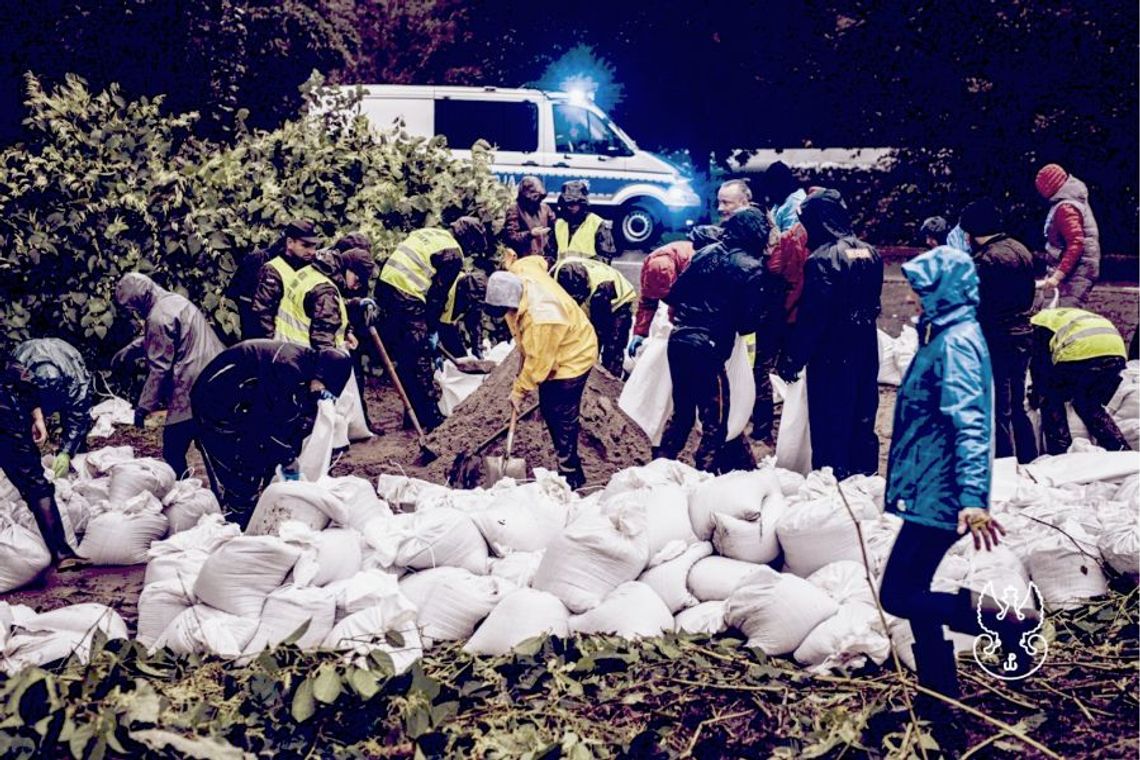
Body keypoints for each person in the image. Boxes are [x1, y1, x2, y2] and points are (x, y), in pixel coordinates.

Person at [879, 245, 1032, 747]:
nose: (915, 297)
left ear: (945, 290)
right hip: (930, 486)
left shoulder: (958, 342)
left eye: (923, 289)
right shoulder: (947, 332)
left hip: (941, 493)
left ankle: (1006, 620)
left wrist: (971, 498)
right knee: (915, 590)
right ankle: (938, 699)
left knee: (899, 593)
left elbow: (971, 423)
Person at [658, 207, 783, 473]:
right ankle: (705, 476)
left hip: (679, 339)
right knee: (715, 420)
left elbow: (673, 294)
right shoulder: (752, 268)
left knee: (682, 413)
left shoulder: (705, 253)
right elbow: (748, 323)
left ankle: (660, 466)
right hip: (709, 347)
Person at [778, 189, 882, 480]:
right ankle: (864, 475)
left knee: (830, 416)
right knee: (863, 411)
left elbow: (814, 318)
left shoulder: (821, 260)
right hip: (865, 344)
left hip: (833, 352)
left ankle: (832, 479)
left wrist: (794, 359)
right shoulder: (869, 252)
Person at [191, 340, 351, 526]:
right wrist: (288, 458)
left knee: (256, 458)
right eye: (323, 386)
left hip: (245, 404)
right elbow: (263, 423)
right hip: (216, 403)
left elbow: (288, 419)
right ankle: (236, 520)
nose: (322, 391)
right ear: (321, 373)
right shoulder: (286, 368)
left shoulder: (305, 370)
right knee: (234, 467)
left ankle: (248, 509)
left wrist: (288, 453)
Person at [484, 257, 598, 489]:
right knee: (548, 406)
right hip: (556, 341)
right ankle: (566, 464)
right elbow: (538, 261)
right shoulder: (520, 271)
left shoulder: (541, 317)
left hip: (574, 353)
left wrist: (519, 391)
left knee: (560, 414)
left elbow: (539, 365)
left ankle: (571, 475)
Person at [375, 218, 488, 430]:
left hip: (385, 287)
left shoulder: (431, 234)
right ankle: (431, 417)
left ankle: (413, 415)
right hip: (407, 294)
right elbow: (437, 297)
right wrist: (431, 329)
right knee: (420, 358)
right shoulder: (453, 254)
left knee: (407, 356)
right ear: (469, 240)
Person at [114, 272, 225, 479]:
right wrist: (131, 349)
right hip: (216, 375)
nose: (135, 313)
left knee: (173, 450)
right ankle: (223, 499)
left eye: (133, 308)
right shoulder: (174, 301)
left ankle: (185, 495)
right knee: (212, 448)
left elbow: (159, 369)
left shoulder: (158, 316)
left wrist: (143, 407)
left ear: (139, 300)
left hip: (191, 386)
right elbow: (164, 337)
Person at [959, 198, 1038, 462]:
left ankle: (1003, 464)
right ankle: (1029, 458)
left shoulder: (985, 260)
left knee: (998, 408)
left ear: (972, 232)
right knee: (1018, 405)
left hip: (998, 337)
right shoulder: (1021, 249)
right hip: (1023, 332)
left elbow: (978, 305)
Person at [0, 353, 89, 572]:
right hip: (6, 418)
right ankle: (62, 552)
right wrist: (37, 417)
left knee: (35, 485)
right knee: (35, 485)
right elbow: (23, 376)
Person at [1029, 307, 1129, 454]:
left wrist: (1036, 394)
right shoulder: (1058, 316)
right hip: (1116, 352)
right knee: (1091, 406)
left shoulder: (1035, 326)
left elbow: (1040, 370)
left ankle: (1060, 455)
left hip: (1080, 354)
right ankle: (1122, 452)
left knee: (1051, 400)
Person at [627, 225, 722, 358]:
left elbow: (686, 301)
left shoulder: (695, 263)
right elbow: (648, 301)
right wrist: (640, 332)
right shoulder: (652, 267)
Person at [11, 339, 93, 479]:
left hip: (67, 355)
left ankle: (76, 453)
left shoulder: (75, 381)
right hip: (28, 359)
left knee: (75, 423)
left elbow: (79, 415)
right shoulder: (19, 372)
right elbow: (14, 405)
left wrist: (66, 451)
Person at [275, 247, 373, 351]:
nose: (357, 286)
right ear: (348, 269)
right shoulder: (326, 292)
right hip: (302, 359)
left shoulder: (311, 271)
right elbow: (323, 344)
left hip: (285, 349)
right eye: (358, 280)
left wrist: (346, 332)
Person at [552, 256, 637, 376]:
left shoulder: (602, 291)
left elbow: (598, 327)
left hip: (618, 305)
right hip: (596, 295)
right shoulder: (557, 273)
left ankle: (611, 378)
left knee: (612, 346)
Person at [242, 220, 323, 340]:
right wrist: (273, 348)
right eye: (305, 245)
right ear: (290, 243)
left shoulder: (312, 266)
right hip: (278, 347)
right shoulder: (272, 268)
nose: (312, 251)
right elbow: (263, 315)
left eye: (314, 246)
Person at [1035, 163, 1101, 307]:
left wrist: (1057, 277)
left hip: (1075, 272)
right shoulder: (1073, 202)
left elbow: (1076, 244)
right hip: (1075, 270)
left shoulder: (1066, 208)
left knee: (1065, 314)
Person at [554, 180, 616, 263]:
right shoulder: (559, 225)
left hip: (589, 275)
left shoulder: (597, 224)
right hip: (561, 274)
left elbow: (605, 257)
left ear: (582, 204)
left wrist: (578, 269)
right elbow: (550, 253)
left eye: (572, 205)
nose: (568, 208)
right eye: (565, 204)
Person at [437, 269, 489, 360]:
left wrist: (477, 346)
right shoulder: (442, 287)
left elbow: (474, 322)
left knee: (462, 358)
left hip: (448, 321)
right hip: (431, 318)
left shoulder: (474, 295)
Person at [503, 176, 556, 264]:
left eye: (539, 196)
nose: (536, 199)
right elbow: (510, 237)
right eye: (534, 196)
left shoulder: (545, 208)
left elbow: (556, 227)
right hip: (523, 260)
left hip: (544, 259)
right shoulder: (515, 209)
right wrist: (530, 234)